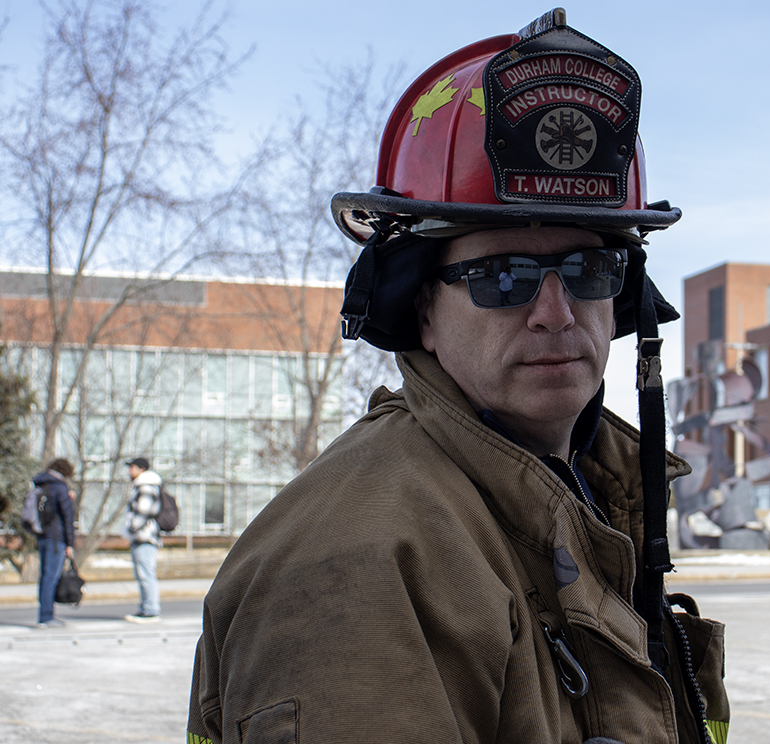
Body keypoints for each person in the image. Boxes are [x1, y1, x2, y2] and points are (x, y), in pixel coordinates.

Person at [188, 10, 729, 744]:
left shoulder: (588, 498)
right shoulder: (363, 561)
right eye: (502, 276)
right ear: (423, 311)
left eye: (587, 269)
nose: (555, 312)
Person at [32, 458, 77, 629]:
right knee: (51, 576)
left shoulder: (40, 484)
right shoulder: (60, 487)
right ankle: (46, 617)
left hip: (42, 536)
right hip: (56, 537)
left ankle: (44, 614)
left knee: (45, 576)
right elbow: (67, 516)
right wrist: (70, 543)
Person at [122, 456, 162, 623]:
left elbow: (143, 512)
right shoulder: (143, 485)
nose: (129, 471)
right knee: (142, 574)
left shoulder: (146, 486)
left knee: (146, 574)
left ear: (140, 469)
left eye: (132, 467)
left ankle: (151, 610)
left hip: (145, 537)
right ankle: (146, 607)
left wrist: (131, 528)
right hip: (142, 537)